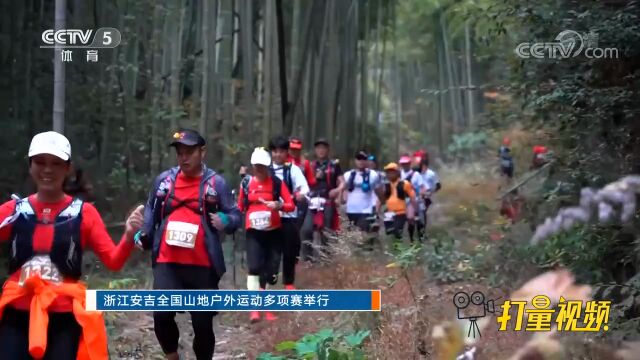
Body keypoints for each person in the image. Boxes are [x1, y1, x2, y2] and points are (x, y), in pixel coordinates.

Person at [0, 131, 144, 360]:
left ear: (68, 168)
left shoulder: (85, 213)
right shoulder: (13, 211)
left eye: (56, 163)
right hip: (17, 313)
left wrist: (128, 236)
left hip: (64, 316)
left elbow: (113, 261)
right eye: (40, 162)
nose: (48, 169)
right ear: (30, 166)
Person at [138, 129, 242, 360]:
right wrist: (144, 232)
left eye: (189, 152)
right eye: (180, 153)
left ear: (202, 152)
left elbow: (236, 215)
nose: (184, 158)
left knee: (202, 323)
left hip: (202, 265)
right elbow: (150, 208)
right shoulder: (164, 181)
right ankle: (172, 355)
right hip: (167, 262)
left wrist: (226, 221)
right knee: (161, 314)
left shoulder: (216, 183)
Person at [238, 147, 295, 322]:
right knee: (254, 268)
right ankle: (255, 309)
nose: (259, 169)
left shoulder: (277, 183)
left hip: (273, 232)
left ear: (268, 166)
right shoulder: (246, 184)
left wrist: (279, 206)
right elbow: (240, 206)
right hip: (254, 232)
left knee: (271, 272)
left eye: (263, 166)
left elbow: (291, 205)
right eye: (256, 166)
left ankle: (268, 308)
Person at [268, 135, 309, 290]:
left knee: (290, 251)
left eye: (281, 151)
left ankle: (289, 283)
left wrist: (301, 195)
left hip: (288, 215)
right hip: (269, 217)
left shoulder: (292, 169)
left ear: (287, 153)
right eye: (275, 151)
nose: (278, 155)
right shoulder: (265, 169)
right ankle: (270, 277)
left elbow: (304, 187)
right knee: (271, 250)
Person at [301, 138, 345, 261]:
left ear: (327, 149)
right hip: (312, 201)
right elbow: (303, 183)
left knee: (326, 231)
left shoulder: (334, 165)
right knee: (306, 229)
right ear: (315, 150)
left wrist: (337, 190)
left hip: (327, 201)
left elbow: (342, 183)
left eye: (323, 148)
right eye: (318, 148)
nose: (321, 150)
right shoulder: (310, 165)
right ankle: (307, 259)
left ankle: (326, 260)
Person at [343, 151, 381, 247]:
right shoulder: (348, 175)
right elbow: (343, 189)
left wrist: (378, 207)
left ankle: (364, 254)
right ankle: (356, 256)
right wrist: (341, 200)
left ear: (367, 161)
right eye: (359, 158)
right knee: (352, 237)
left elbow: (379, 192)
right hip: (350, 210)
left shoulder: (373, 175)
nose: (361, 161)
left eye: (363, 159)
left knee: (362, 235)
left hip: (366, 210)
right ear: (355, 161)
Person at [381, 162, 417, 240]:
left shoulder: (405, 184)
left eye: (392, 172)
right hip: (389, 213)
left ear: (397, 173)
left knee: (397, 232)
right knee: (390, 233)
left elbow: (413, 197)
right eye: (388, 172)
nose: (389, 174)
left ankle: (409, 240)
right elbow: (380, 199)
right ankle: (394, 248)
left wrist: (414, 211)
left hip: (400, 212)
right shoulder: (386, 185)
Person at [399, 155, 427, 242]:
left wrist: (422, 193)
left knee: (413, 218)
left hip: (413, 198)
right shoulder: (399, 174)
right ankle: (410, 238)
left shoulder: (416, 174)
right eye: (403, 164)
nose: (405, 165)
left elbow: (422, 186)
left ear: (409, 164)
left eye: (406, 163)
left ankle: (419, 236)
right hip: (401, 199)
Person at [419, 157, 441, 237]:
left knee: (423, 211)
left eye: (423, 165)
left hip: (427, 195)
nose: (422, 167)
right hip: (419, 194)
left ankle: (422, 231)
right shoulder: (418, 173)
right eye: (421, 165)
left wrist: (431, 192)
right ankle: (420, 229)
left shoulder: (431, 174)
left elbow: (438, 185)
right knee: (418, 212)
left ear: (426, 165)